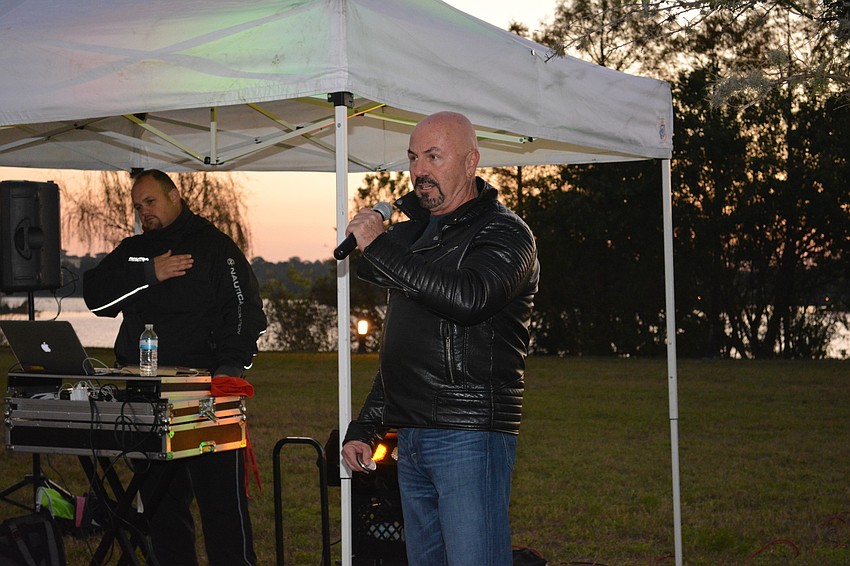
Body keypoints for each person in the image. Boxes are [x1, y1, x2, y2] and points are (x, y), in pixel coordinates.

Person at [341, 111, 540, 566]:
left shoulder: (506, 232)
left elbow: (469, 298)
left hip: (468, 435)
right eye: (413, 157)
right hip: (409, 437)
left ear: (471, 162)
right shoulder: (417, 238)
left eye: (434, 156)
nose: (419, 170)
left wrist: (382, 246)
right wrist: (367, 425)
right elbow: (407, 350)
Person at [83, 169, 266, 566]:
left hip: (204, 394)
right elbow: (96, 299)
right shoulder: (134, 251)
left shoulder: (214, 246)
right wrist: (150, 274)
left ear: (174, 196)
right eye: (136, 206)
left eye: (150, 202)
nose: (143, 211)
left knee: (221, 507)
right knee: (163, 508)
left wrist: (229, 367)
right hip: (142, 396)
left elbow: (245, 310)